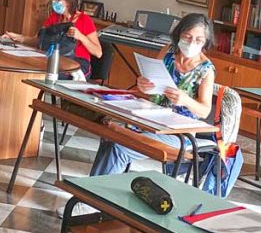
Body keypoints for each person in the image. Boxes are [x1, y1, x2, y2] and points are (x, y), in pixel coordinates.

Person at [87, 12, 215, 180]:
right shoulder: (168, 51)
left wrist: (186, 100)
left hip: (178, 134)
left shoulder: (206, 70)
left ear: (206, 42)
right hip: (151, 120)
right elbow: (152, 81)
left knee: (120, 148)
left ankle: (97, 192)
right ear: (179, 35)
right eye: (187, 37)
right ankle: (92, 189)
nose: (192, 43)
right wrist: (143, 84)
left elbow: (204, 111)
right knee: (110, 136)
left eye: (199, 40)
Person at [2, 0, 101, 78]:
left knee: (51, 75)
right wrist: (16, 37)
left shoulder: (85, 20)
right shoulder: (54, 18)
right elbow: (37, 40)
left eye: (58, 0)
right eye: (53, 0)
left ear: (69, 1)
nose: (54, 3)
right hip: (55, 59)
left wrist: (81, 36)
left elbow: (98, 53)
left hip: (77, 64)